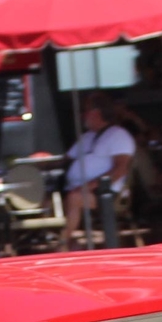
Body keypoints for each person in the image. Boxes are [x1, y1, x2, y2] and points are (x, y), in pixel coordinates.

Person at [63, 96, 137, 248]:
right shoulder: (87, 137)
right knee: (50, 198)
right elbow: (66, 159)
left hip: (106, 192)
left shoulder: (118, 135)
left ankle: (63, 242)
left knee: (74, 198)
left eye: (85, 111)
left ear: (96, 113)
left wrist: (89, 186)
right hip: (78, 188)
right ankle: (68, 240)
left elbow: (120, 169)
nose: (82, 115)